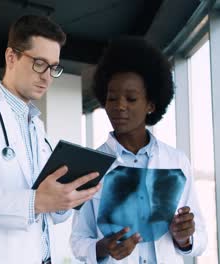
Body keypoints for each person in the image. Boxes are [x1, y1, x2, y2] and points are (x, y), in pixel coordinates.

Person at [0, 15, 101, 264]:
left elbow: (48, 214)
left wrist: (64, 200)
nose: (47, 76)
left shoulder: (36, 127)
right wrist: (35, 201)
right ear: (11, 57)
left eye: (53, 67)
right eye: (39, 63)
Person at [70, 37, 207, 263]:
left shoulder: (176, 162)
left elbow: (200, 239)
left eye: (131, 99)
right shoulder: (92, 165)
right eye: (112, 98)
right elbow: (78, 241)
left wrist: (185, 238)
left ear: (151, 105)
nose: (119, 106)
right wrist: (104, 248)